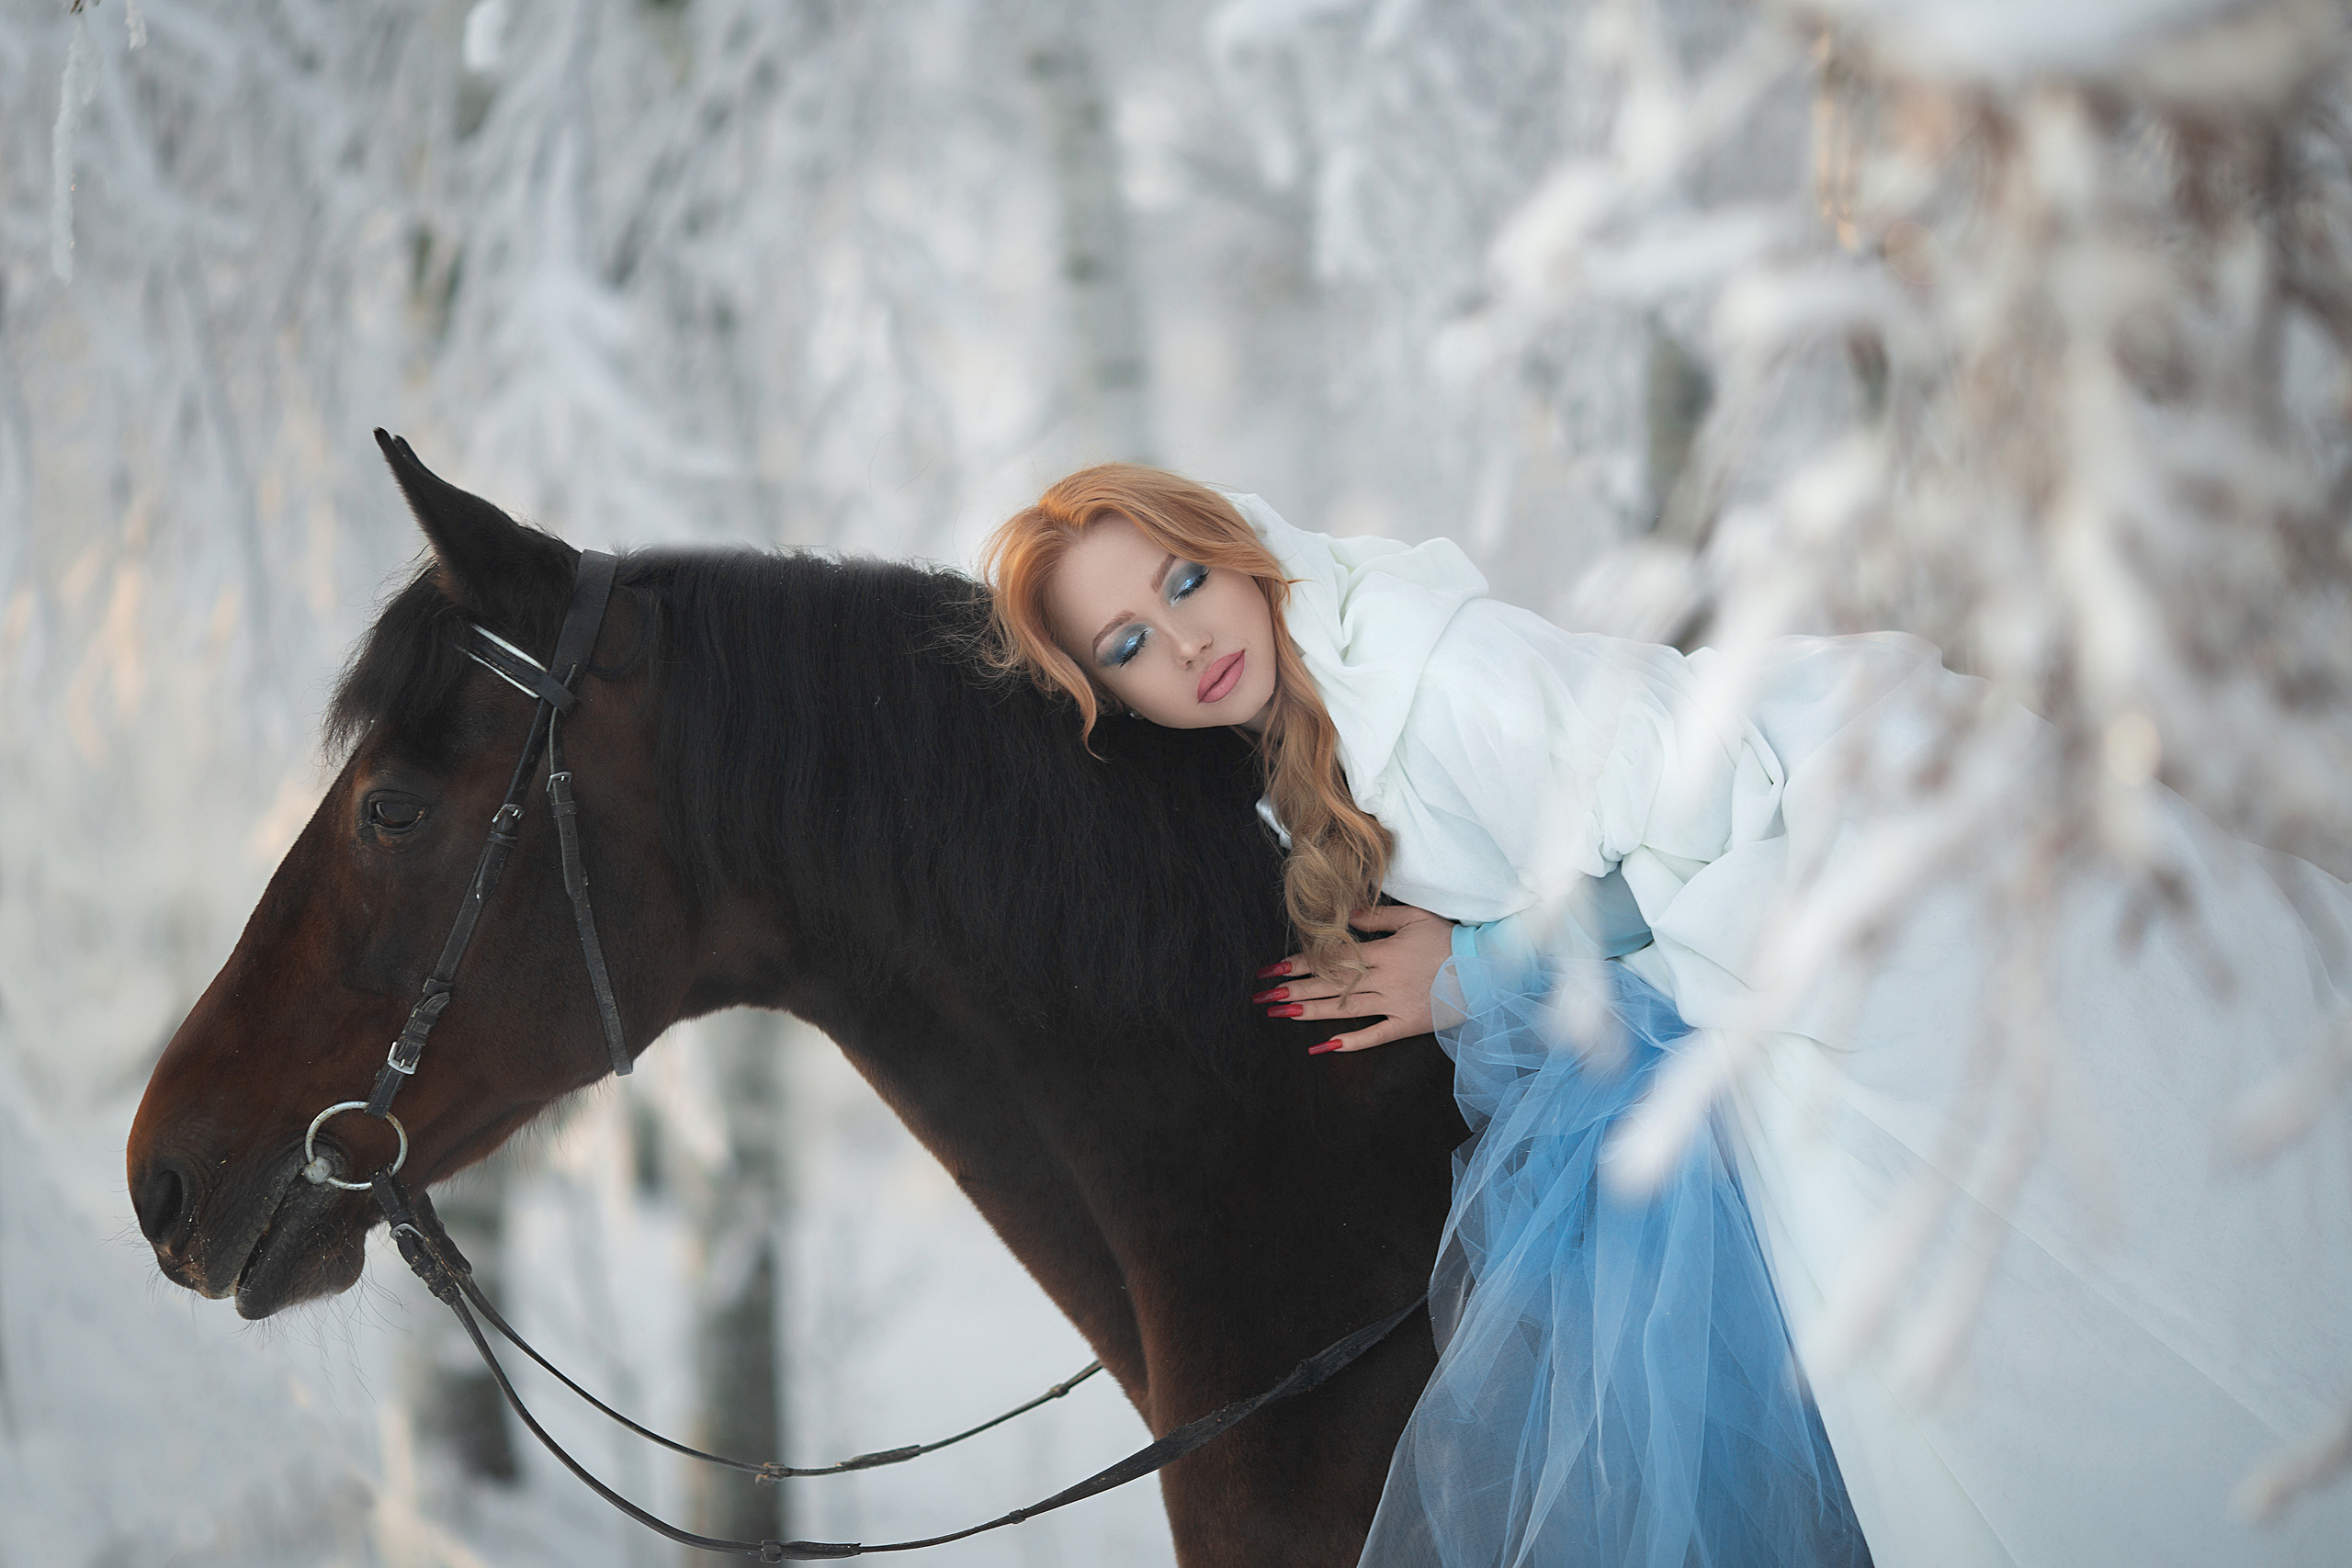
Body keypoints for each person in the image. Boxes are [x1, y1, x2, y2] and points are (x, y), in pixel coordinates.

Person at [980, 464, 2352, 1568]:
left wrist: (1478, 969)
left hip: (1839, 854)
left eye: (1186, 579)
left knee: (1974, 1306)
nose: (1187, 642)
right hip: (1728, 890)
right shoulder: (1298, 724)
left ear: (1239, 553)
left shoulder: (1432, 676)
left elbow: (1708, 824)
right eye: (1130, 644)